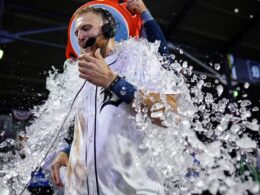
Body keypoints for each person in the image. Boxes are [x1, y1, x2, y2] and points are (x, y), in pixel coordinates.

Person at [51, 0, 176, 193]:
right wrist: (66, 151)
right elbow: (87, 127)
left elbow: (169, 115)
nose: (81, 37)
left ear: (108, 28)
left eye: (86, 28)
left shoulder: (139, 59)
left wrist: (114, 82)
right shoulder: (80, 76)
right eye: (77, 32)